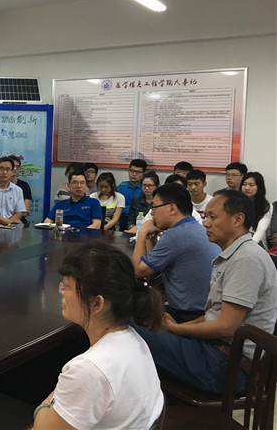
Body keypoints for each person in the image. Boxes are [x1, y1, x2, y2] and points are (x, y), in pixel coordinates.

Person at [134, 190, 277, 394]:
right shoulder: (235, 254)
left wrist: (176, 329)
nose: (206, 223)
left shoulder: (246, 259)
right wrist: (177, 327)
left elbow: (226, 326)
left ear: (238, 219)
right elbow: (214, 314)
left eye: (213, 217)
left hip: (227, 366)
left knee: (126, 325)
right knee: (143, 323)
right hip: (216, 351)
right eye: (206, 217)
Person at [32, 242, 164, 430]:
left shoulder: (88, 370)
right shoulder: (133, 339)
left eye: (67, 286)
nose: (61, 291)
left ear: (97, 304)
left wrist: (45, 405)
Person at [132, 183, 221, 322]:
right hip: (208, 312)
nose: (152, 213)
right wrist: (151, 238)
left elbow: (138, 271)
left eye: (154, 207)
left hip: (189, 316)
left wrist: (142, 231)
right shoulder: (194, 228)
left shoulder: (175, 236)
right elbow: (151, 271)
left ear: (172, 208)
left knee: (132, 319)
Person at [241, 171, 272, 248]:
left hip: (256, 242)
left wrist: (250, 246)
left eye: (251, 185)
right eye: (244, 184)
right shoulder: (235, 202)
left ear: (259, 187)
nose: (247, 188)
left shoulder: (266, 206)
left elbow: (261, 229)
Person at [117, 159, 147, 231]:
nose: (134, 174)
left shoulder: (145, 189)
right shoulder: (121, 186)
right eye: (132, 171)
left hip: (137, 221)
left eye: (138, 172)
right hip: (119, 219)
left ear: (143, 174)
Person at [9, 155, 32, 220]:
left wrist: (12, 219)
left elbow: (26, 211)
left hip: (18, 220)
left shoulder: (24, 186)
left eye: (17, 167)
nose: (15, 169)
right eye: (13, 166)